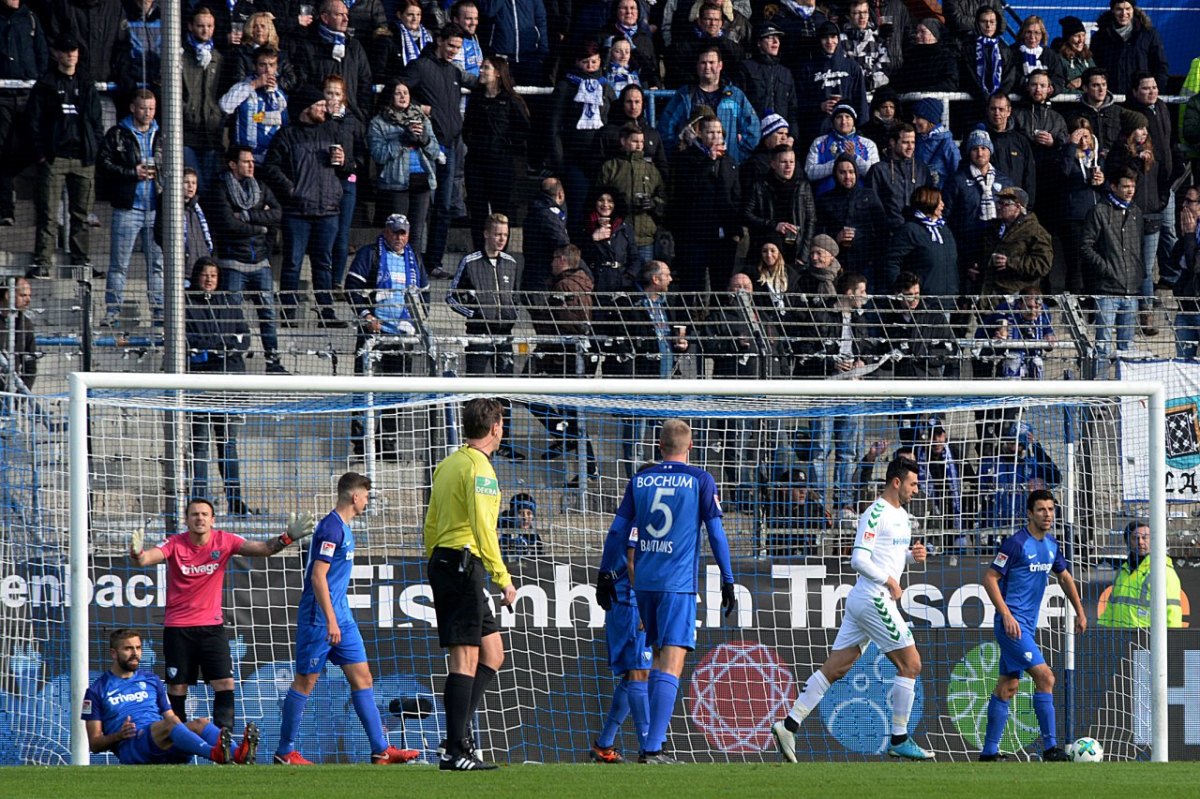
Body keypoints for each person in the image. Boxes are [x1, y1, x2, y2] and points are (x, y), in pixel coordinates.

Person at [772, 457, 933, 761]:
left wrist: (912, 557)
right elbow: (858, 559)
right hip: (874, 598)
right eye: (912, 484)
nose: (916, 489)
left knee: (836, 668)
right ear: (896, 482)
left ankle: (788, 724)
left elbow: (888, 557)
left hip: (867, 599)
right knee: (911, 665)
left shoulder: (902, 516)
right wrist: (889, 582)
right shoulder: (875, 514)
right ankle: (899, 738)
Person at [595, 418, 735, 764]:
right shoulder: (700, 479)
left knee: (655, 658)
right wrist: (727, 577)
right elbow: (716, 533)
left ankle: (648, 744)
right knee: (671, 662)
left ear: (658, 447)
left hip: (643, 585)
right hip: (677, 584)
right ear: (690, 447)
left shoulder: (640, 480)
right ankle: (653, 748)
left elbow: (616, 532)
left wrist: (604, 574)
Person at [128, 496, 314, 732]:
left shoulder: (224, 541)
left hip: (212, 627)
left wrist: (287, 538)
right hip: (178, 628)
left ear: (212, 520)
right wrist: (137, 553)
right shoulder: (175, 543)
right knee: (177, 687)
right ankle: (176, 741)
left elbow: (265, 549)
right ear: (187, 520)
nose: (200, 518)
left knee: (225, 683)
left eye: (205, 514)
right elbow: (145, 559)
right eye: (194, 514)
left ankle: (222, 741)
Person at [274, 472, 420, 765]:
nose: (367, 500)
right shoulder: (331, 528)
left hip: (342, 616)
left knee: (363, 677)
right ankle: (284, 751)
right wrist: (330, 620)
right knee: (305, 682)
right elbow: (318, 577)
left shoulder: (343, 528)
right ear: (355, 497)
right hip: (319, 618)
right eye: (366, 495)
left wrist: (337, 618)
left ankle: (381, 749)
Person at [423, 398, 517, 770]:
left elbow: (431, 520)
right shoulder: (480, 469)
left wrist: (435, 558)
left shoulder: (449, 463)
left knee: (493, 654)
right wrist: (503, 578)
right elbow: (483, 528)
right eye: (502, 423)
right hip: (463, 564)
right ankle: (455, 749)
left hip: (450, 561)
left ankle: (459, 734)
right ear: (495, 428)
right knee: (464, 658)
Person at [979, 489, 1086, 762]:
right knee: (1046, 678)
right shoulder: (1015, 544)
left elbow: (1065, 578)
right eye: (1041, 509)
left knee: (1008, 685)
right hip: (1012, 627)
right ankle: (1050, 748)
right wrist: (1006, 614)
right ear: (1029, 513)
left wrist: (1080, 612)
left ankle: (989, 753)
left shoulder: (1051, 546)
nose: (1047, 514)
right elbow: (990, 579)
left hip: (1025, 626)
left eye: (1051, 509)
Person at [82, 628, 256, 765]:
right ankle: (215, 753)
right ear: (114, 653)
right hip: (133, 747)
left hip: (162, 741)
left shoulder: (151, 680)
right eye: (128, 648)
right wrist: (118, 735)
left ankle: (239, 755)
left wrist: (185, 731)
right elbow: (94, 743)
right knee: (170, 724)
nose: (135, 653)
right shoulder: (96, 690)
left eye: (138, 648)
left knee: (200, 723)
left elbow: (171, 717)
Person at [259, 84, 345, 327]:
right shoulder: (286, 135)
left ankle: (326, 314)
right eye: (319, 105)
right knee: (292, 263)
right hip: (297, 212)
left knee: (323, 264)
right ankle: (288, 315)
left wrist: (344, 162)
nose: (324, 109)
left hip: (328, 210)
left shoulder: (332, 130)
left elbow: (348, 166)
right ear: (307, 108)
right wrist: (291, 189)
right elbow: (270, 167)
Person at [346, 213, 428, 455]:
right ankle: (361, 442)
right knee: (364, 389)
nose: (399, 237)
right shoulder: (369, 253)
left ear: (409, 234)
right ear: (385, 231)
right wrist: (367, 316)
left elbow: (425, 294)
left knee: (397, 391)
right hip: (373, 335)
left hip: (402, 337)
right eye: (395, 231)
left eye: (403, 232)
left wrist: (417, 323)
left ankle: (388, 442)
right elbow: (352, 287)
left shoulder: (415, 260)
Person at [402, 22, 477, 276]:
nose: (454, 51)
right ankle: (411, 261)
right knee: (421, 208)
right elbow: (397, 90)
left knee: (444, 207)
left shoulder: (454, 71)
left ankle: (433, 261)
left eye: (458, 47)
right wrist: (419, 108)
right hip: (425, 147)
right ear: (439, 40)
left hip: (452, 145)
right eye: (451, 45)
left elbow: (478, 83)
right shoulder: (420, 67)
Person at [208, 145, 287, 374]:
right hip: (233, 262)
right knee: (231, 313)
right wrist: (260, 228)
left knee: (268, 314)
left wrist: (248, 216)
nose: (252, 165)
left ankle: (273, 362)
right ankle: (232, 359)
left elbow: (277, 213)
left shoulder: (260, 187)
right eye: (246, 162)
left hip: (261, 262)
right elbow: (227, 223)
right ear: (233, 164)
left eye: (252, 161)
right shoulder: (220, 188)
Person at [184, 258, 255, 511]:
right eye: (205, 275)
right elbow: (192, 341)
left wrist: (221, 347)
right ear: (196, 277)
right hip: (200, 384)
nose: (209, 280)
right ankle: (198, 502)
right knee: (200, 444)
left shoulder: (229, 302)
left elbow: (244, 337)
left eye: (213, 275)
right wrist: (220, 346)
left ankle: (235, 502)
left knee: (228, 444)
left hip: (230, 384)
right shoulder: (185, 304)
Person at [98, 88, 163, 328]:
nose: (148, 113)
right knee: (119, 264)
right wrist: (131, 173)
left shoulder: (162, 134)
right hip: (128, 209)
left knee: (157, 264)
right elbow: (104, 164)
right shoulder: (117, 134)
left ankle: (159, 311)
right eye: (144, 108)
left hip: (156, 209)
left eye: (152, 108)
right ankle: (112, 311)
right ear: (133, 108)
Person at [590, 520, 650, 763]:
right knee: (639, 674)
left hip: (627, 600)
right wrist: (646, 603)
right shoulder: (639, 518)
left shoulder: (626, 518)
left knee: (633, 675)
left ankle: (604, 745)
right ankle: (648, 749)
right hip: (631, 603)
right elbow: (633, 559)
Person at [461, 55, 529, 252]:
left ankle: (500, 256)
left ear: (498, 73)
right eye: (481, 67)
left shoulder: (511, 101)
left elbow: (524, 130)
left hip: (501, 166)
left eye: (486, 68)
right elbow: (467, 128)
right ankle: (478, 253)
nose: (481, 71)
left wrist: (504, 144)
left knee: (501, 211)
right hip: (476, 164)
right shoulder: (476, 98)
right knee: (478, 211)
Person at [668, 115, 742, 293]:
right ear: (700, 133)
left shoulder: (730, 161)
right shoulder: (686, 158)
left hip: (723, 236)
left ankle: (719, 320)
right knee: (691, 286)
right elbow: (686, 190)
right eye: (710, 132)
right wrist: (709, 161)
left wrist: (735, 230)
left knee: (722, 287)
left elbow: (736, 196)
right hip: (694, 235)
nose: (716, 137)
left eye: (719, 132)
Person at [1082, 166, 1143, 379]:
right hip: (1107, 290)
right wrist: (1106, 268)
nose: (1130, 190)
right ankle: (1098, 396)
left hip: (1131, 290)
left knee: (1126, 349)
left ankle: (1124, 400)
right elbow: (1086, 246)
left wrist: (1138, 274)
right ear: (1113, 186)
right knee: (1103, 347)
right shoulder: (1099, 211)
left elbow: (1138, 250)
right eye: (1125, 186)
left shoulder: (1136, 212)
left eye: (1133, 186)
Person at [367, 78, 440, 258]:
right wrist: (401, 139)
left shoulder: (422, 118)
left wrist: (424, 139)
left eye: (406, 93)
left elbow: (435, 150)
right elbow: (378, 155)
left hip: (422, 181)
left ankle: (413, 278)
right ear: (390, 96)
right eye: (398, 93)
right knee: (397, 233)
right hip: (396, 184)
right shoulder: (378, 122)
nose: (403, 96)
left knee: (416, 234)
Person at [658, 45, 761, 167]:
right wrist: (678, 153)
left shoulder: (735, 96)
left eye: (712, 62)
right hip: (693, 167)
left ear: (720, 65)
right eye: (703, 63)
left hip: (726, 166)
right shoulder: (685, 95)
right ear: (697, 66)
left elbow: (753, 129)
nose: (707, 67)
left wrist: (737, 155)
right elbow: (666, 128)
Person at [944, 129, 1011, 289]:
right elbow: (946, 217)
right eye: (975, 149)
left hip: (996, 247)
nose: (979, 153)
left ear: (990, 151)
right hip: (967, 246)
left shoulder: (1004, 181)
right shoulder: (957, 180)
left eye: (983, 148)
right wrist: (963, 259)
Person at [0, 0, 46, 227]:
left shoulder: (31, 19)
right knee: (1, 152)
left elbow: (42, 54)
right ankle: (5, 207)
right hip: (2, 97)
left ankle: (45, 210)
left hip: (28, 96)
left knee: (34, 148)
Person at [596, 123, 666, 265]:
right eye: (635, 141)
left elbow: (663, 198)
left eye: (641, 142)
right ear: (623, 141)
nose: (639, 145)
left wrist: (653, 204)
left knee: (646, 278)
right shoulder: (610, 167)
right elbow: (597, 198)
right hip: (617, 235)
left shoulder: (652, 170)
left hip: (645, 236)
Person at [288, 0, 373, 117]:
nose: (346, 19)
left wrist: (361, 114)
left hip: (351, 118)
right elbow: (303, 84)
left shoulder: (354, 46)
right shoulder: (307, 46)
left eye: (346, 15)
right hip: (320, 120)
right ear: (325, 17)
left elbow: (365, 82)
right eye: (339, 15)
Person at [794, 21, 869, 146]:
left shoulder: (852, 66)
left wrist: (861, 129)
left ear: (839, 39)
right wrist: (819, 106)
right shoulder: (807, 68)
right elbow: (798, 103)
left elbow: (861, 101)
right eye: (825, 37)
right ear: (819, 40)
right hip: (817, 131)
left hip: (848, 131)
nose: (829, 42)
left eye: (833, 37)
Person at [1097, 520, 1183, 628]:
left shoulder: (1164, 571)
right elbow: (1111, 607)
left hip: (1146, 640)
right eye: (1135, 538)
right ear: (1128, 542)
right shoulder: (1123, 571)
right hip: (1118, 638)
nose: (1140, 542)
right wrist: (1101, 630)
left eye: (1145, 537)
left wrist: (1173, 639)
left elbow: (1173, 611)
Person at [976, 186, 1053, 298]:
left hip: (1016, 296)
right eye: (999, 203)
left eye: (1005, 204)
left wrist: (1010, 263)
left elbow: (1043, 264)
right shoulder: (992, 227)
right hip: (989, 294)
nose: (999, 207)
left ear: (1018, 207)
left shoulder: (1035, 231)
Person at [883, 186, 959, 299]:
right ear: (929, 201)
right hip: (921, 303)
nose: (943, 205)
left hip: (948, 301)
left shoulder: (945, 230)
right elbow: (891, 262)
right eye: (939, 201)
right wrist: (902, 289)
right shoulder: (909, 230)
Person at [219, 45, 288, 165]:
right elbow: (225, 106)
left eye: (271, 65)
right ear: (254, 66)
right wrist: (255, 84)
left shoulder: (280, 95)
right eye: (263, 65)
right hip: (245, 159)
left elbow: (285, 126)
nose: (268, 70)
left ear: (276, 67)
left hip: (271, 161)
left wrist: (260, 117)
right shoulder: (244, 86)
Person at [1090, 0, 1168, 97]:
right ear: (1112, 10)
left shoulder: (1149, 34)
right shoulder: (1100, 37)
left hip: (1141, 99)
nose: (1124, 13)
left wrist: (1155, 92)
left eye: (1127, 9)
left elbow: (1160, 66)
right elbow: (1094, 68)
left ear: (1133, 10)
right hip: (1111, 98)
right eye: (1119, 9)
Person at [733, 22, 798, 132]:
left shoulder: (786, 73)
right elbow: (737, 103)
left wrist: (792, 136)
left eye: (777, 37)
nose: (775, 41)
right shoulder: (745, 67)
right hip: (752, 134)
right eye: (769, 37)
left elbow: (793, 109)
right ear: (759, 42)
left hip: (781, 135)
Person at [804, 104, 879, 197]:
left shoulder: (868, 144)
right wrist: (837, 163)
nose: (843, 121)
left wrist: (854, 158)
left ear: (854, 121)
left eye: (848, 117)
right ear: (833, 121)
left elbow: (874, 174)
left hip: (859, 200)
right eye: (839, 117)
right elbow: (809, 172)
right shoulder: (819, 142)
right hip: (825, 199)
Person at [868, 123, 931, 230]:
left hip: (918, 231)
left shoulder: (922, 169)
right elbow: (873, 205)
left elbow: (929, 201)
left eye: (913, 142)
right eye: (905, 142)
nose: (910, 147)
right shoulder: (878, 170)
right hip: (888, 234)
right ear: (892, 143)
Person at [959, 5, 1016, 101]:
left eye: (992, 22)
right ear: (977, 23)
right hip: (973, 103)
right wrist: (984, 96)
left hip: (997, 104)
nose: (988, 26)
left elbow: (1009, 78)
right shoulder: (967, 47)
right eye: (984, 22)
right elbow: (967, 76)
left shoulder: (1005, 49)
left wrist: (997, 97)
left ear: (997, 24)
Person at [888, 17, 956, 95]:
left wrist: (922, 92)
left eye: (922, 32)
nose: (917, 35)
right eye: (917, 32)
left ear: (935, 36)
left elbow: (950, 84)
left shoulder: (946, 57)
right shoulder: (912, 57)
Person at [911, 97, 958, 191]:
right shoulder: (916, 140)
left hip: (939, 198)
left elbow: (956, 175)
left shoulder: (948, 144)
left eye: (918, 117)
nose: (914, 121)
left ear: (930, 120)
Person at [1013, 15, 1066, 94]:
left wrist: (1053, 88)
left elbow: (1058, 79)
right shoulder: (1011, 53)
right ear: (1023, 33)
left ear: (1042, 35)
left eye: (1037, 33)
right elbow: (1010, 78)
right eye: (1029, 32)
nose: (1032, 37)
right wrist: (1028, 85)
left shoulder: (1050, 55)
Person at [498, 493, 544, 559]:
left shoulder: (534, 537)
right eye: (520, 513)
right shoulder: (503, 532)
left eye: (529, 513)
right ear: (513, 515)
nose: (525, 518)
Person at [1057, 16, 1095, 90]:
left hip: (1089, 100)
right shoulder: (1059, 59)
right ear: (1068, 38)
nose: (1081, 40)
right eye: (1077, 36)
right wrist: (1072, 87)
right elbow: (1058, 89)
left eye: (1083, 35)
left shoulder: (1087, 57)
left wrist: (1083, 80)